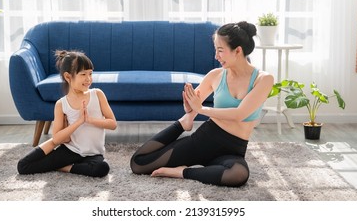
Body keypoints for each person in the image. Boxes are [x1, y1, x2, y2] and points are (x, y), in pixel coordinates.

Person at [130, 21, 274, 187]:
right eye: (216, 50)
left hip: (233, 148)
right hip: (204, 141)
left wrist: (201, 109)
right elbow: (193, 106)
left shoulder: (263, 79)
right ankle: (182, 124)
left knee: (238, 174)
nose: (216, 56)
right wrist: (190, 108)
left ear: (238, 50)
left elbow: (240, 114)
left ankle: (182, 172)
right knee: (139, 164)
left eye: (220, 50)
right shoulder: (215, 75)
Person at [17, 50, 117, 178]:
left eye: (90, 73)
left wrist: (89, 120)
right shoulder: (61, 104)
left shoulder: (97, 94)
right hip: (71, 151)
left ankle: (64, 167)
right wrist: (79, 122)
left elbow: (113, 124)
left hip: (93, 154)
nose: (88, 79)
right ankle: (62, 164)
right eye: (83, 74)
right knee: (23, 166)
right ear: (68, 77)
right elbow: (57, 139)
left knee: (102, 168)